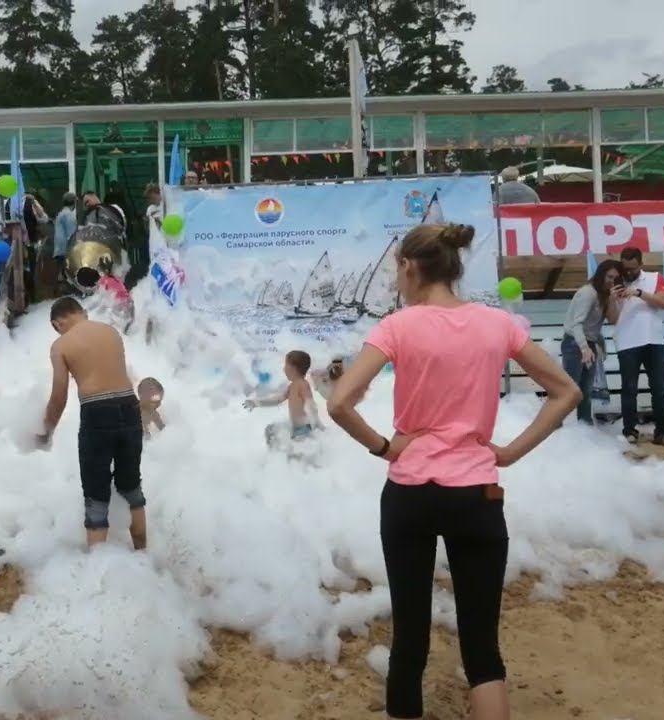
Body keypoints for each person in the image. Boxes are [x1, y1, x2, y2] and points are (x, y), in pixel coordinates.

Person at [325, 223, 580, 720]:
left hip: (410, 494)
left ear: (409, 266)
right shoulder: (496, 323)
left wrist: (385, 447)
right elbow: (566, 391)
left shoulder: (397, 326)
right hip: (476, 494)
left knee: (409, 641)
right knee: (482, 651)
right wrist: (510, 453)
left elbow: (338, 403)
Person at [40, 297, 146, 550]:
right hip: (130, 408)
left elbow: (59, 396)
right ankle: (143, 553)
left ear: (57, 324)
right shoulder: (111, 332)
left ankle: (98, 564)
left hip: (97, 413)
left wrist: (47, 431)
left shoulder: (61, 345)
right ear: (83, 312)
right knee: (131, 486)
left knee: (96, 492)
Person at [613, 247, 664, 446]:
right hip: (626, 341)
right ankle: (629, 430)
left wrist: (639, 293)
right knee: (629, 389)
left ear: (641, 264)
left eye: (632, 268)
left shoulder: (655, 278)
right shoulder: (615, 280)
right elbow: (609, 315)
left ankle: (663, 432)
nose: (628, 272)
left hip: (653, 340)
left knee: (659, 388)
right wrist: (612, 298)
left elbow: (663, 302)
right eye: (625, 268)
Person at [561, 260, 623, 424]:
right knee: (569, 389)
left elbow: (614, 319)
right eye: (609, 276)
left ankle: (584, 426)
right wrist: (584, 348)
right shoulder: (588, 292)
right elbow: (576, 324)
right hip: (575, 342)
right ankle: (557, 426)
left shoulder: (605, 295)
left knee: (586, 390)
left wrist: (612, 300)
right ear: (601, 275)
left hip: (590, 343)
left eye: (616, 278)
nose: (612, 281)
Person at [244, 350, 320, 443]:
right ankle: (276, 451)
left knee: (298, 449)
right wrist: (257, 403)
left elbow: (310, 403)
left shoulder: (302, 384)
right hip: (296, 429)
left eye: (286, 366)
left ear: (293, 368)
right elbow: (278, 399)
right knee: (270, 430)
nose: (284, 369)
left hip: (304, 429)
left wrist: (316, 423)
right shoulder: (292, 386)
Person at [53, 192, 78, 293]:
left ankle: (60, 293)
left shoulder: (61, 213)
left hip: (59, 249)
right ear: (74, 202)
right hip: (66, 249)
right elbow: (71, 234)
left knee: (61, 273)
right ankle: (65, 294)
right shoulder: (69, 215)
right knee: (67, 275)